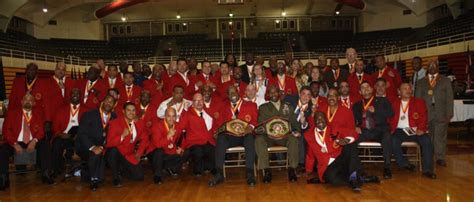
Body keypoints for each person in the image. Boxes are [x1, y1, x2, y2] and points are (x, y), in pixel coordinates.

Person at [305, 112, 378, 192]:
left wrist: (346, 140)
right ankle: (360, 178)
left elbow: (353, 133)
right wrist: (309, 171)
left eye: (322, 118)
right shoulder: (309, 135)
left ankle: (354, 178)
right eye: (317, 119)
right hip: (327, 168)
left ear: (326, 119)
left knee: (350, 144)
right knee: (334, 181)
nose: (320, 120)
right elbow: (310, 155)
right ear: (314, 121)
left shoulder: (335, 128)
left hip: (340, 160)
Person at [0, 93, 55, 190]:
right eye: (25, 99)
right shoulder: (12, 113)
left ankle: (46, 175)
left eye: (30, 100)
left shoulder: (38, 114)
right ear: (21, 102)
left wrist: (34, 141)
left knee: (46, 146)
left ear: (34, 103)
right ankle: (3, 179)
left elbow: (41, 131)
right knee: (2, 150)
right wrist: (14, 144)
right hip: (16, 141)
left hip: (32, 141)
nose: (28, 101)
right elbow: (6, 130)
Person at [208, 86, 258, 187]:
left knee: (249, 138)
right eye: (230, 93)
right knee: (221, 139)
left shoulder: (251, 105)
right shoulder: (223, 106)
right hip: (230, 136)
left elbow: (256, 121)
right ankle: (219, 173)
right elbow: (219, 123)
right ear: (227, 95)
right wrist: (217, 131)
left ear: (238, 92)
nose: (233, 95)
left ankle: (249, 173)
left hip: (245, 135)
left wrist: (251, 127)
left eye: (234, 92)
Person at [255, 85, 302, 183]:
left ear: (279, 93)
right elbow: (260, 124)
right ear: (268, 94)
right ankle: (266, 170)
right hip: (269, 137)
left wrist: (297, 131)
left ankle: (292, 169)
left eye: (275, 92)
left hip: (284, 136)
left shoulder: (287, 106)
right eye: (271, 92)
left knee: (293, 140)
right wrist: (263, 129)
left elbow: (294, 122)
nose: (273, 94)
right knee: (259, 140)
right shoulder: (263, 107)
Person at [390, 82, 436, 179]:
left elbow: (424, 117)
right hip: (399, 130)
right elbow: (389, 118)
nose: (408, 90)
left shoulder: (419, 102)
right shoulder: (394, 102)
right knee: (393, 140)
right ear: (399, 91)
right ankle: (404, 164)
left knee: (427, 140)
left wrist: (421, 129)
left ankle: (427, 170)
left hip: (415, 130)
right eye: (405, 89)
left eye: (409, 88)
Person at [415, 60, 453, 167]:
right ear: (427, 68)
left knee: (440, 136)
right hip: (425, 114)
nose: (432, 67)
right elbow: (417, 100)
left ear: (438, 67)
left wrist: (449, 113)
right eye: (429, 65)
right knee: (427, 136)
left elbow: (450, 98)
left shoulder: (445, 81)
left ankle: (440, 157)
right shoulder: (421, 82)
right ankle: (427, 156)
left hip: (441, 113)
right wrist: (417, 114)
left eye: (434, 65)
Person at [352, 82, 394, 179]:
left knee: (387, 137)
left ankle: (387, 167)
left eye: (368, 87)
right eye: (363, 88)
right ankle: (355, 168)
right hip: (364, 131)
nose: (366, 89)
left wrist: (376, 111)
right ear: (360, 92)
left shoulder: (383, 100)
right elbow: (353, 120)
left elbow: (391, 113)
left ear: (372, 89)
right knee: (352, 140)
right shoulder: (357, 105)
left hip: (380, 130)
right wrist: (355, 126)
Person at [75, 95, 117, 191]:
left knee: (110, 154)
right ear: (102, 101)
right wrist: (92, 147)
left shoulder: (114, 117)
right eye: (107, 100)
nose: (108, 103)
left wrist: (102, 147)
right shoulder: (89, 114)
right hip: (85, 146)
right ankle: (93, 180)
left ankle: (85, 172)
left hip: (102, 146)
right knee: (95, 156)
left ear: (114, 105)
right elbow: (82, 134)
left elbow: (112, 135)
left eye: (111, 102)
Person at [106, 102, 148, 187]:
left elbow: (145, 139)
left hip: (129, 154)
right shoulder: (114, 123)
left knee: (139, 177)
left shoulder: (139, 123)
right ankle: (115, 178)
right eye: (128, 110)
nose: (131, 113)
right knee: (113, 151)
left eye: (133, 110)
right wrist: (122, 136)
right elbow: (109, 143)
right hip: (117, 153)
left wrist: (139, 153)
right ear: (123, 111)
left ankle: (121, 169)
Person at [178, 93, 217, 176]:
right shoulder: (187, 114)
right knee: (198, 151)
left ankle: (210, 167)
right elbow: (179, 128)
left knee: (212, 149)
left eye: (200, 100)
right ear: (192, 102)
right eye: (196, 101)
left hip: (208, 140)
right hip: (193, 142)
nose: (199, 102)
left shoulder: (208, 112)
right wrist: (179, 145)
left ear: (203, 101)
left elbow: (214, 125)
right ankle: (198, 170)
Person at [51, 88, 84, 176]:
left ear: (81, 96)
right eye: (73, 93)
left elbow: (89, 127)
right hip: (65, 136)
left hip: (80, 137)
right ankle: (56, 169)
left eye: (77, 93)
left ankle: (82, 168)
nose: (75, 95)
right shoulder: (61, 109)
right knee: (57, 143)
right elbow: (55, 126)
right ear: (70, 96)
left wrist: (80, 135)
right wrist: (60, 134)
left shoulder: (87, 110)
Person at [149, 108, 184, 184]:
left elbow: (182, 139)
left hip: (169, 151)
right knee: (159, 152)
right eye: (169, 116)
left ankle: (166, 167)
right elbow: (158, 144)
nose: (171, 119)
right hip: (156, 152)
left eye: (173, 116)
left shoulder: (178, 126)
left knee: (185, 153)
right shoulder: (157, 126)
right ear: (164, 116)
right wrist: (168, 136)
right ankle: (157, 176)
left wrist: (181, 148)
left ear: (176, 117)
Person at [285, 86, 313, 173]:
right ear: (299, 94)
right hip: (286, 127)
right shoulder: (290, 101)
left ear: (311, 97)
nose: (305, 97)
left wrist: (304, 122)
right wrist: (291, 131)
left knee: (302, 137)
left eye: (308, 95)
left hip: (300, 130)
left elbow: (308, 127)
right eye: (303, 94)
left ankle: (301, 164)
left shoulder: (311, 109)